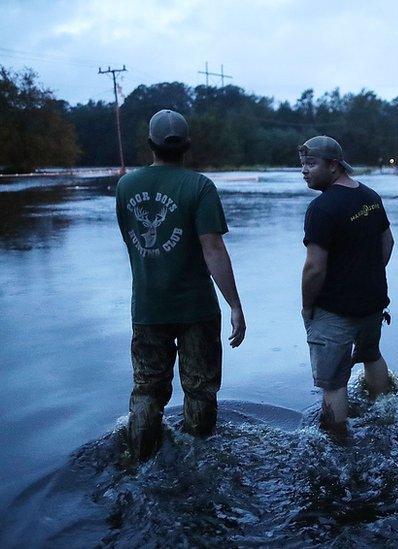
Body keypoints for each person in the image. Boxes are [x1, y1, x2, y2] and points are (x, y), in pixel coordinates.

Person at [115, 109, 246, 461]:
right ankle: (196, 463)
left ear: (149, 144)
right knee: (200, 390)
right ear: (187, 146)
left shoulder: (125, 186)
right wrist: (235, 305)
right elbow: (213, 249)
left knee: (147, 390)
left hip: (147, 307)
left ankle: (140, 461)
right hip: (196, 309)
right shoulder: (200, 187)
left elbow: (131, 241)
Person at [299, 135, 394, 436]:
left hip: (335, 309)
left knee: (334, 382)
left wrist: (306, 306)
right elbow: (388, 242)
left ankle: (338, 443)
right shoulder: (370, 196)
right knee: (371, 354)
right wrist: (366, 275)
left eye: (311, 164)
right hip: (372, 301)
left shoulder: (322, 208)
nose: (304, 171)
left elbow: (314, 267)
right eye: (302, 165)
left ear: (334, 165)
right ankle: (386, 414)